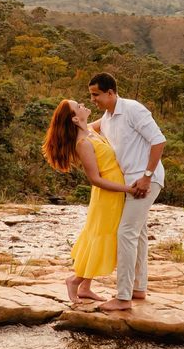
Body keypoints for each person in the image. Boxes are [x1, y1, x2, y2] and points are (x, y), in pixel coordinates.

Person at [42, 99, 134, 305]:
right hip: (107, 195)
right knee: (102, 236)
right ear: (75, 118)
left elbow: (109, 115)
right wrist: (128, 189)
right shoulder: (82, 143)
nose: (84, 104)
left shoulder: (90, 130)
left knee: (101, 235)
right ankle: (74, 281)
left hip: (114, 192)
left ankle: (85, 287)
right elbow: (95, 179)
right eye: (78, 106)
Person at [87, 72, 166, 312]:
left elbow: (158, 141)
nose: (93, 100)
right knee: (139, 234)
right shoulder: (107, 117)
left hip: (145, 181)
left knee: (125, 233)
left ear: (110, 93)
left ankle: (123, 298)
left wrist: (147, 176)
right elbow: (89, 128)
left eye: (96, 95)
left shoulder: (133, 109)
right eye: (91, 95)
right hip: (130, 184)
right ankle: (138, 288)